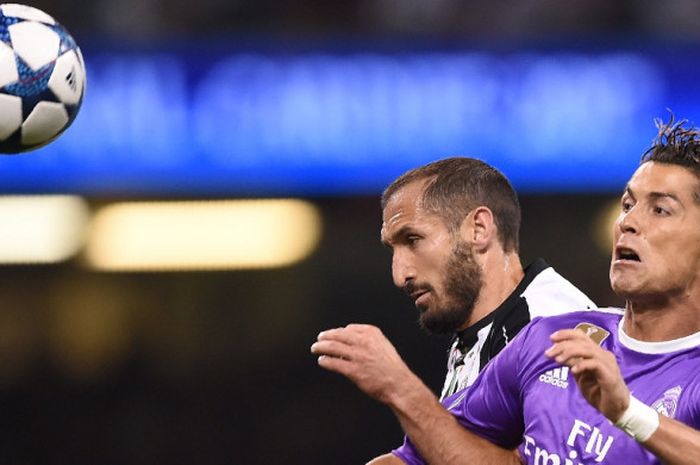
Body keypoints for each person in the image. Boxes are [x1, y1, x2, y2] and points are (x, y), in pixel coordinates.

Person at [311, 116, 700, 465]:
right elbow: (435, 451)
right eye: (627, 204)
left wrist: (628, 414)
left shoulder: (545, 311)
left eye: (660, 209)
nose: (628, 222)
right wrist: (400, 390)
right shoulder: (552, 338)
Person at [380, 157, 594, 402]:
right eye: (392, 249)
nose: (399, 275)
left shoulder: (552, 328)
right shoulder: (478, 337)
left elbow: (550, 442)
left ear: (479, 229)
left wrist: (400, 389)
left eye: (412, 239)